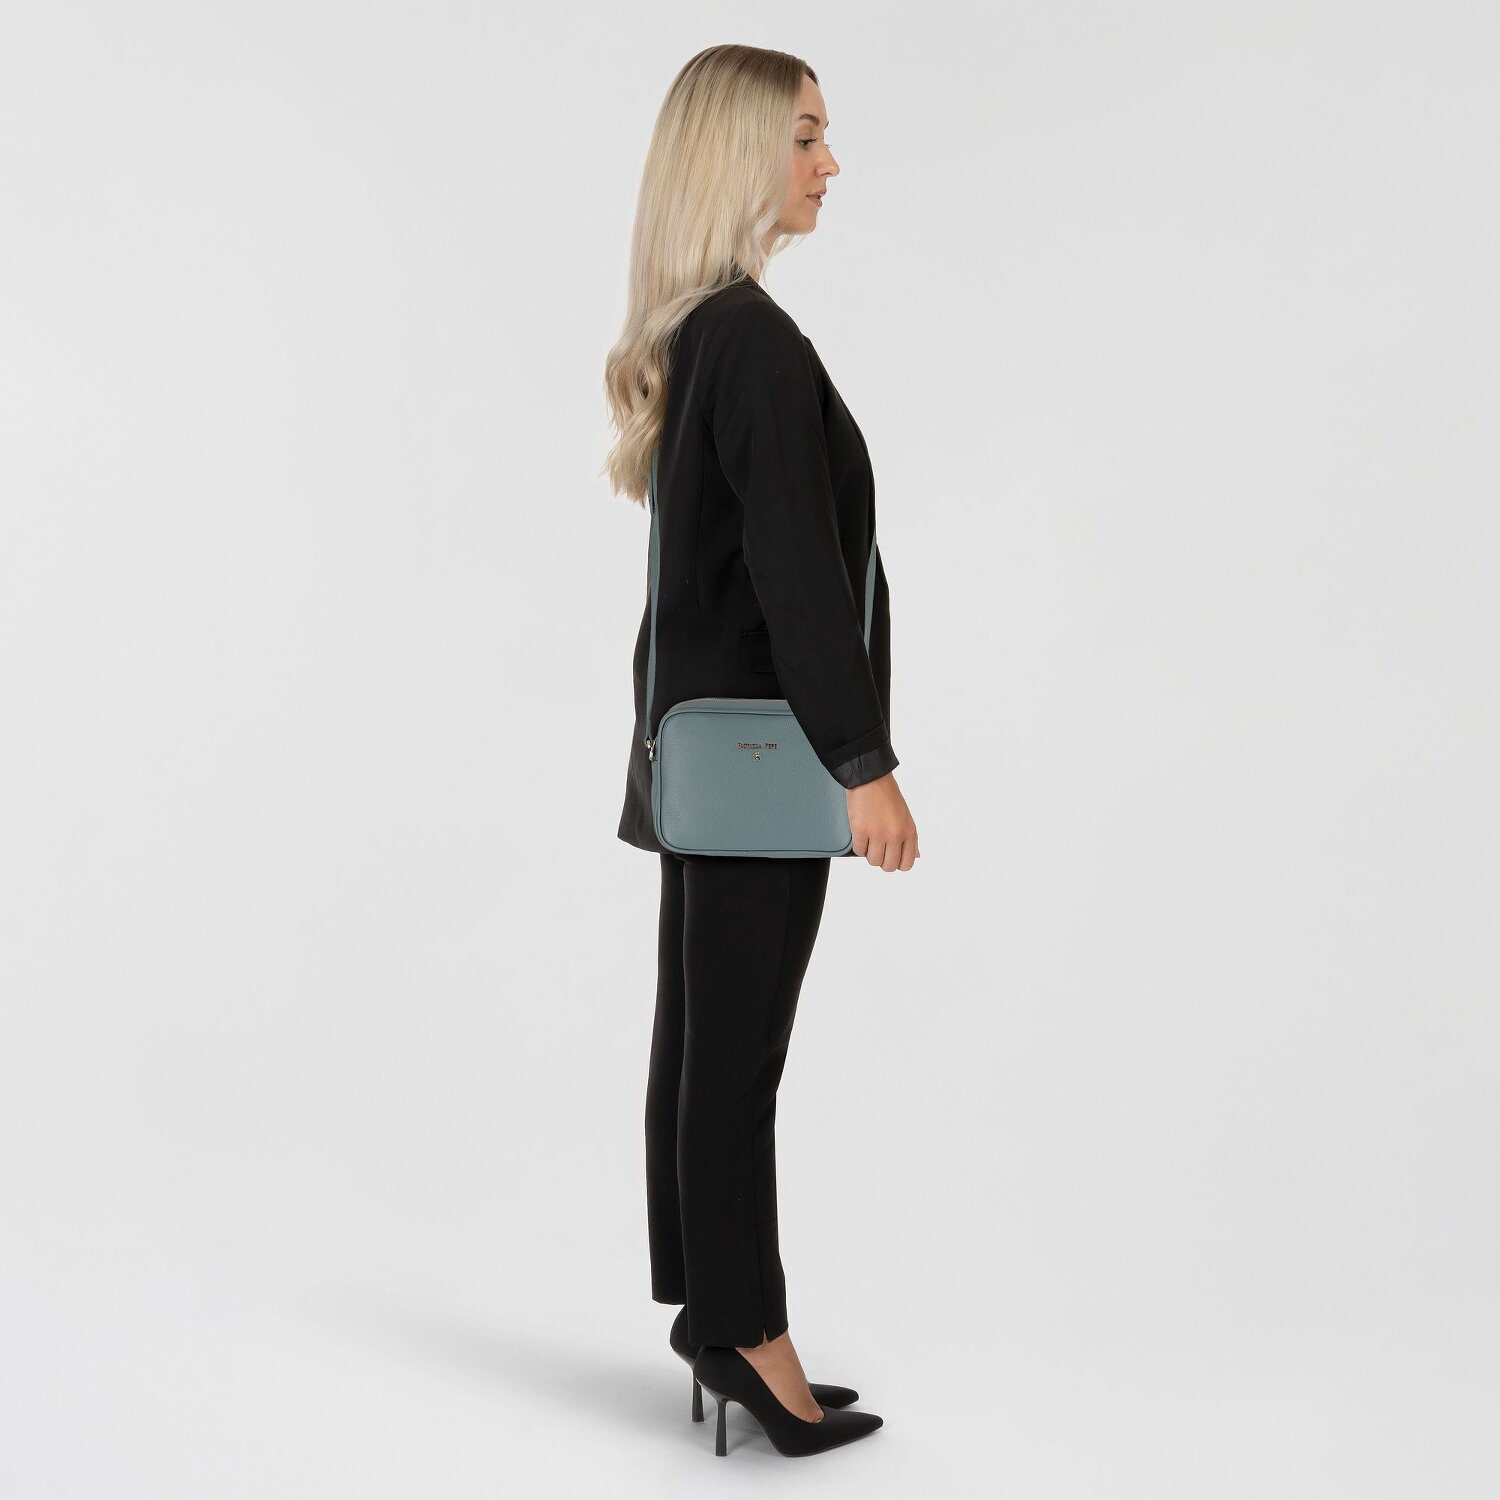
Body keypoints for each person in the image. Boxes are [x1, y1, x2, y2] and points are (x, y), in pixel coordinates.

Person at [601, 43, 920, 1459]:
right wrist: (864, 763)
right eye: (804, 136)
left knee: (703, 1042)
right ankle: (743, 1329)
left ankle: (714, 1309)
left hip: (708, 758)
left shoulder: (707, 336)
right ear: (739, 154)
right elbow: (796, 571)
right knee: (736, 1055)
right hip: (765, 761)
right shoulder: (755, 342)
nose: (828, 163)